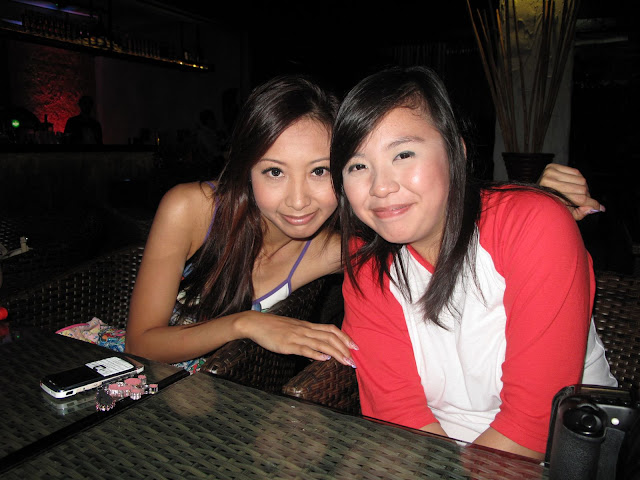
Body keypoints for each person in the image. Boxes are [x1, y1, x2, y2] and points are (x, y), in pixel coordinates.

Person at [329, 66, 617, 460]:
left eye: (403, 154)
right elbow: (397, 412)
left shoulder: (532, 225)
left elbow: (532, 426)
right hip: (435, 453)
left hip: (568, 450)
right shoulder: (368, 265)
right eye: (358, 166)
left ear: (456, 154)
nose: (380, 186)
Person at [124, 75, 357, 372]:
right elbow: (140, 345)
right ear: (246, 170)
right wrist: (244, 323)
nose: (298, 201)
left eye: (319, 171)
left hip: (218, 393)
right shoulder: (192, 209)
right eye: (275, 172)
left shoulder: (333, 251)